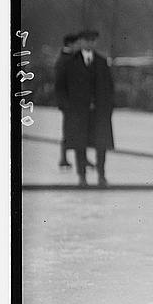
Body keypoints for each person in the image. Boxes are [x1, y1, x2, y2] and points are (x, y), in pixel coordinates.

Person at [54, 29, 115, 188]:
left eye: (92, 40)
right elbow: (60, 87)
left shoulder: (102, 62)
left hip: (99, 112)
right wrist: (66, 107)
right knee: (80, 145)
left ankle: (102, 176)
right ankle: (82, 176)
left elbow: (109, 87)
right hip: (78, 112)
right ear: (80, 42)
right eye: (86, 40)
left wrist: (107, 108)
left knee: (101, 145)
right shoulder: (70, 62)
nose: (89, 43)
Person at [54, 33, 80, 170]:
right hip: (69, 103)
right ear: (70, 44)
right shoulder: (65, 59)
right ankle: (64, 158)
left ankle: (73, 158)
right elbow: (60, 84)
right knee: (69, 130)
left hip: (72, 102)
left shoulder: (67, 58)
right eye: (76, 43)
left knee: (76, 130)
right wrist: (64, 102)